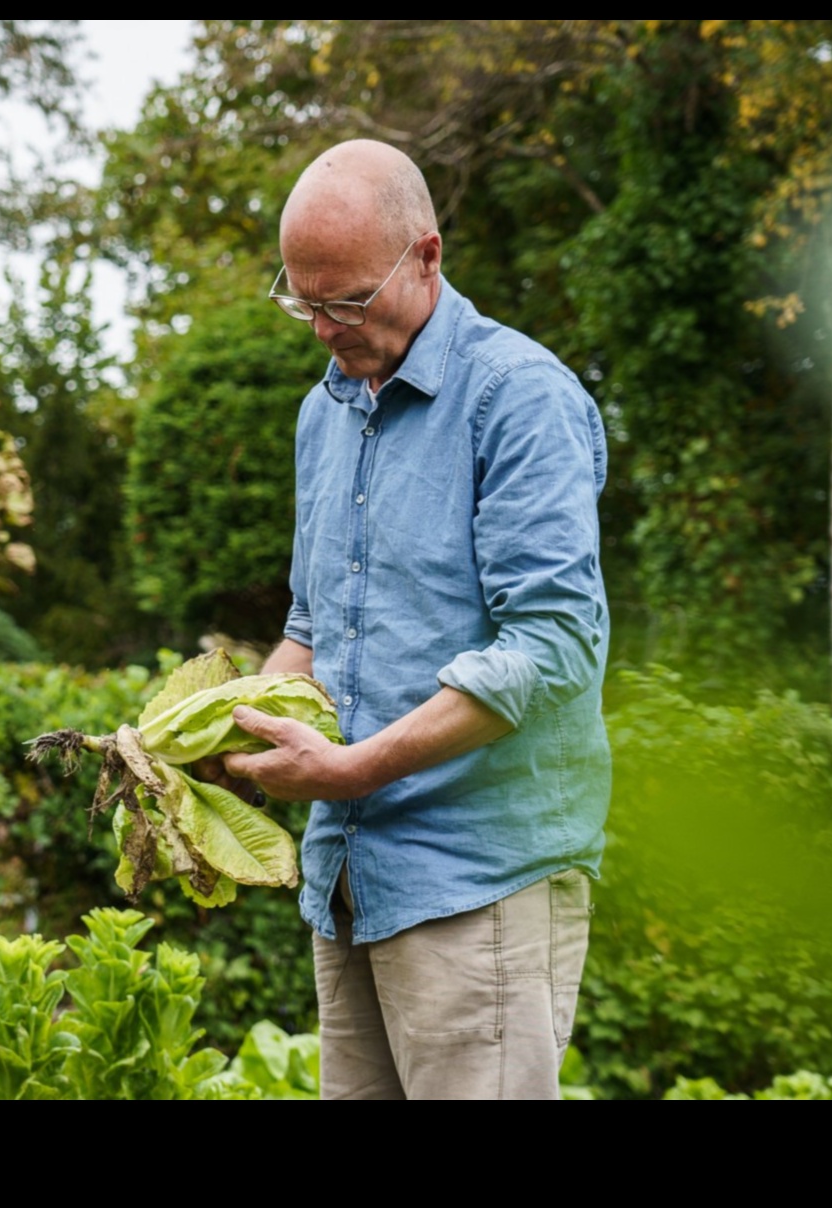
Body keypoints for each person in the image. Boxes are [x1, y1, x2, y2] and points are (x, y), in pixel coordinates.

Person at [220, 140, 611, 1100]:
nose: (320, 327)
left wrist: (350, 768)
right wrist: (217, 727)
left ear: (427, 257)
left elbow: (552, 646)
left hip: (476, 877)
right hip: (348, 879)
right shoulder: (327, 411)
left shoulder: (517, 397)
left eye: (345, 300)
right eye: (300, 298)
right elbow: (312, 630)